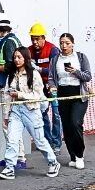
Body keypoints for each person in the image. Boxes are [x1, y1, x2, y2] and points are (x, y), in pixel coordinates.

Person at [0, 49, 60, 180]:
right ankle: (9, 167)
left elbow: (38, 95)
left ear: (25, 58)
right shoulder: (12, 74)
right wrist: (6, 115)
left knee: (39, 141)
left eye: (19, 57)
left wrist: (20, 95)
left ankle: (53, 162)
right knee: (12, 139)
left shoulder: (34, 74)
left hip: (31, 111)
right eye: (15, 57)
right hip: (16, 110)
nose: (16, 60)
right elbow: (8, 96)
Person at [0, 13, 27, 168]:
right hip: (9, 86)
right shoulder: (6, 41)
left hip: (10, 87)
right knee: (10, 123)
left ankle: (17, 159)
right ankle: (15, 157)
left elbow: (10, 65)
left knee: (8, 123)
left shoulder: (8, 43)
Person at [49, 33, 92, 169]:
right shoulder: (55, 59)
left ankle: (80, 155)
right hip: (63, 93)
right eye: (62, 43)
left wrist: (75, 71)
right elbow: (51, 77)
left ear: (73, 44)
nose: (64, 46)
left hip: (78, 94)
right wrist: (52, 86)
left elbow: (88, 76)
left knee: (75, 123)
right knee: (67, 127)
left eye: (67, 43)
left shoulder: (80, 57)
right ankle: (72, 156)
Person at [26, 22, 63, 152]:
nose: (35, 42)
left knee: (57, 114)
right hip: (39, 88)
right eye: (33, 39)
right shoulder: (28, 51)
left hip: (52, 86)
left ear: (43, 38)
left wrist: (39, 70)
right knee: (42, 114)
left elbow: (56, 70)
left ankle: (57, 143)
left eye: (37, 39)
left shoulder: (52, 50)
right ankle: (47, 140)